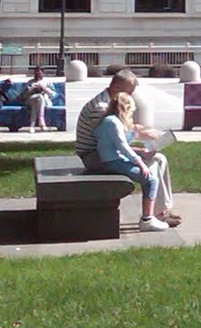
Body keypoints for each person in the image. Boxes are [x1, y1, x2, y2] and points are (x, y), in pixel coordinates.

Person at [75, 68, 178, 224]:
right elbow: (114, 144)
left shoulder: (110, 104)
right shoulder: (101, 108)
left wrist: (143, 142)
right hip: (94, 156)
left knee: (160, 158)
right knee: (151, 165)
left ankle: (162, 209)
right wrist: (140, 154)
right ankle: (154, 215)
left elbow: (118, 140)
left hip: (105, 151)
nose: (130, 96)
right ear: (116, 88)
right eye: (129, 92)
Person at [95, 91, 171, 233]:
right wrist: (140, 163)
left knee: (156, 162)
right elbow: (122, 147)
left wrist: (142, 151)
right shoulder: (112, 122)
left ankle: (158, 211)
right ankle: (147, 220)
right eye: (132, 109)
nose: (133, 112)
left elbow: (120, 145)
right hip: (112, 162)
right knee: (150, 180)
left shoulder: (112, 121)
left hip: (116, 159)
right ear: (126, 108)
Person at [21, 65, 55, 132]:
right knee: (38, 98)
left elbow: (53, 95)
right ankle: (42, 122)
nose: (37, 75)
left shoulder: (48, 82)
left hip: (45, 101)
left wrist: (44, 89)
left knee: (38, 100)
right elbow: (24, 95)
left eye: (39, 73)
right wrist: (32, 90)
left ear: (43, 73)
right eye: (36, 73)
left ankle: (32, 125)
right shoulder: (30, 82)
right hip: (31, 100)